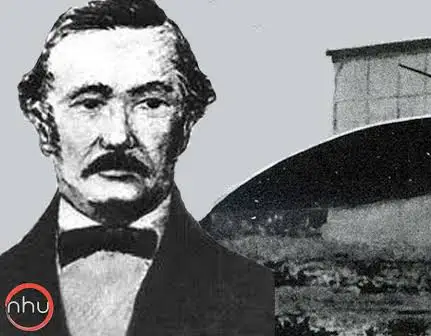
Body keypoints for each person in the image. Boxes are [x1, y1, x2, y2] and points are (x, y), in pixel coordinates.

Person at [0, 0, 275, 335]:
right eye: (90, 103)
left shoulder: (254, 291)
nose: (118, 137)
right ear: (44, 123)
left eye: (150, 103)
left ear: (186, 124)